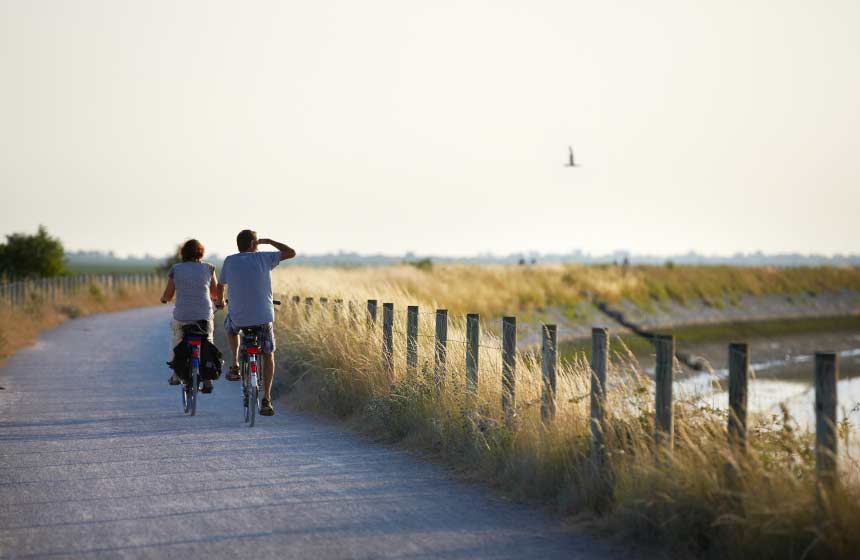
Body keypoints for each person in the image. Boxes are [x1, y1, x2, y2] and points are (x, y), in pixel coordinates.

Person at [215, 230, 295, 416]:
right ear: (253, 244)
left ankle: (234, 365)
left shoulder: (230, 260)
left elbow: (220, 285)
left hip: (239, 317)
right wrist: (269, 241)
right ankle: (266, 398)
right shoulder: (264, 257)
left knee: (231, 329)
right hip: (263, 317)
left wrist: (220, 302)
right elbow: (291, 252)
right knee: (268, 353)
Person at [160, 239, 219, 392]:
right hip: (204, 315)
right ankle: (207, 379)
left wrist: (164, 299)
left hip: (182, 315)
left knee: (177, 340)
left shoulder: (176, 269)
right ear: (201, 252)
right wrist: (217, 301)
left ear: (183, 253)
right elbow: (214, 293)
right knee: (207, 340)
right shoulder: (209, 268)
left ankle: (175, 374)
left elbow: (168, 294)